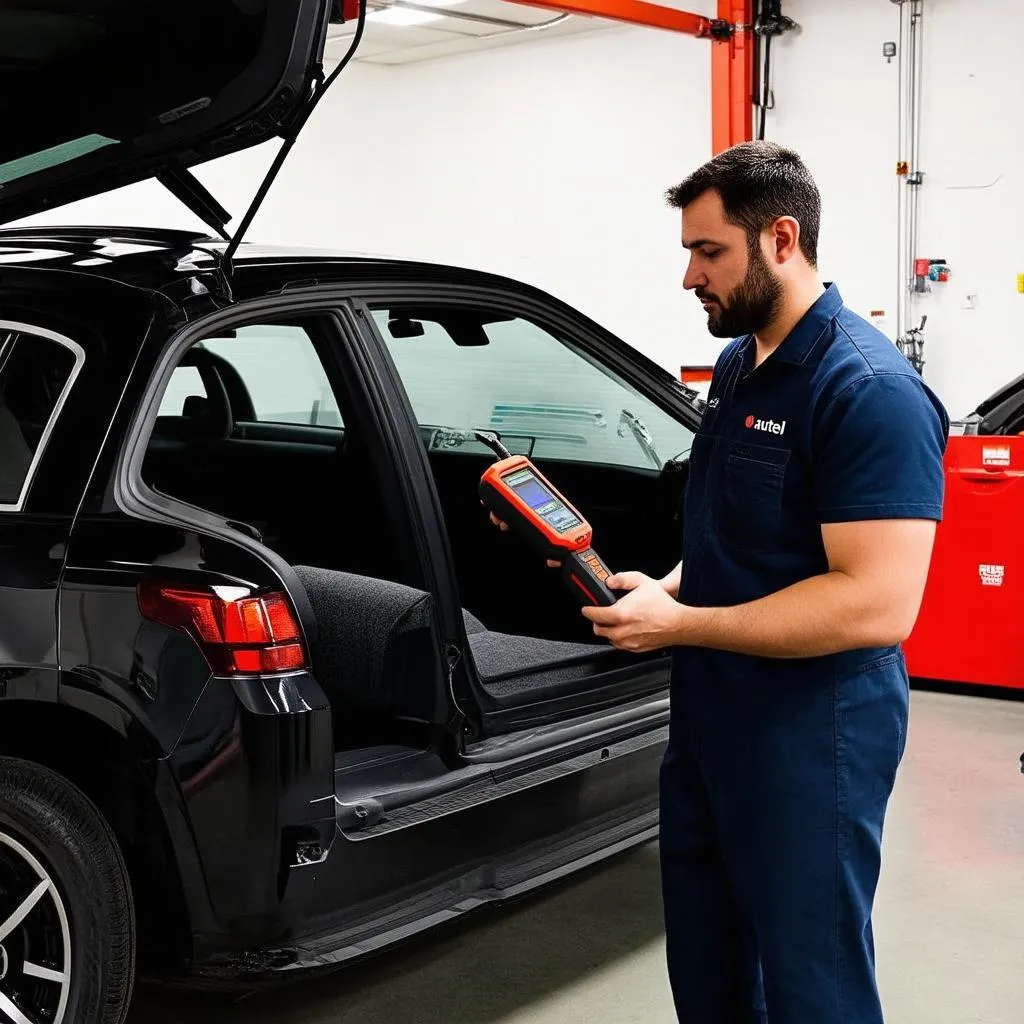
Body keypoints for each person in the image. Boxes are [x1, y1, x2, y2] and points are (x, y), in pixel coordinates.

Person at [491, 140, 949, 1022]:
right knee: (709, 958)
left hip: (814, 733)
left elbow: (876, 603)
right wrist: (662, 589)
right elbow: (730, 533)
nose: (690, 278)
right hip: (713, 714)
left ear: (781, 239)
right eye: (689, 253)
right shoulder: (743, 363)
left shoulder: (868, 391)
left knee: (810, 976)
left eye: (709, 253)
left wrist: (682, 626)